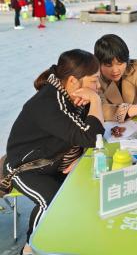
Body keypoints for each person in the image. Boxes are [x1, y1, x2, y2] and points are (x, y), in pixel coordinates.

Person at [3, 49, 105, 254]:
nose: (98, 87)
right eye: (94, 81)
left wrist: (77, 157)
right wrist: (96, 100)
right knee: (49, 201)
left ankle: (64, 240)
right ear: (74, 82)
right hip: (24, 169)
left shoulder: (69, 96)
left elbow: (86, 133)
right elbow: (92, 137)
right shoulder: (49, 104)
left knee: (84, 192)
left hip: (52, 164)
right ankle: (31, 248)